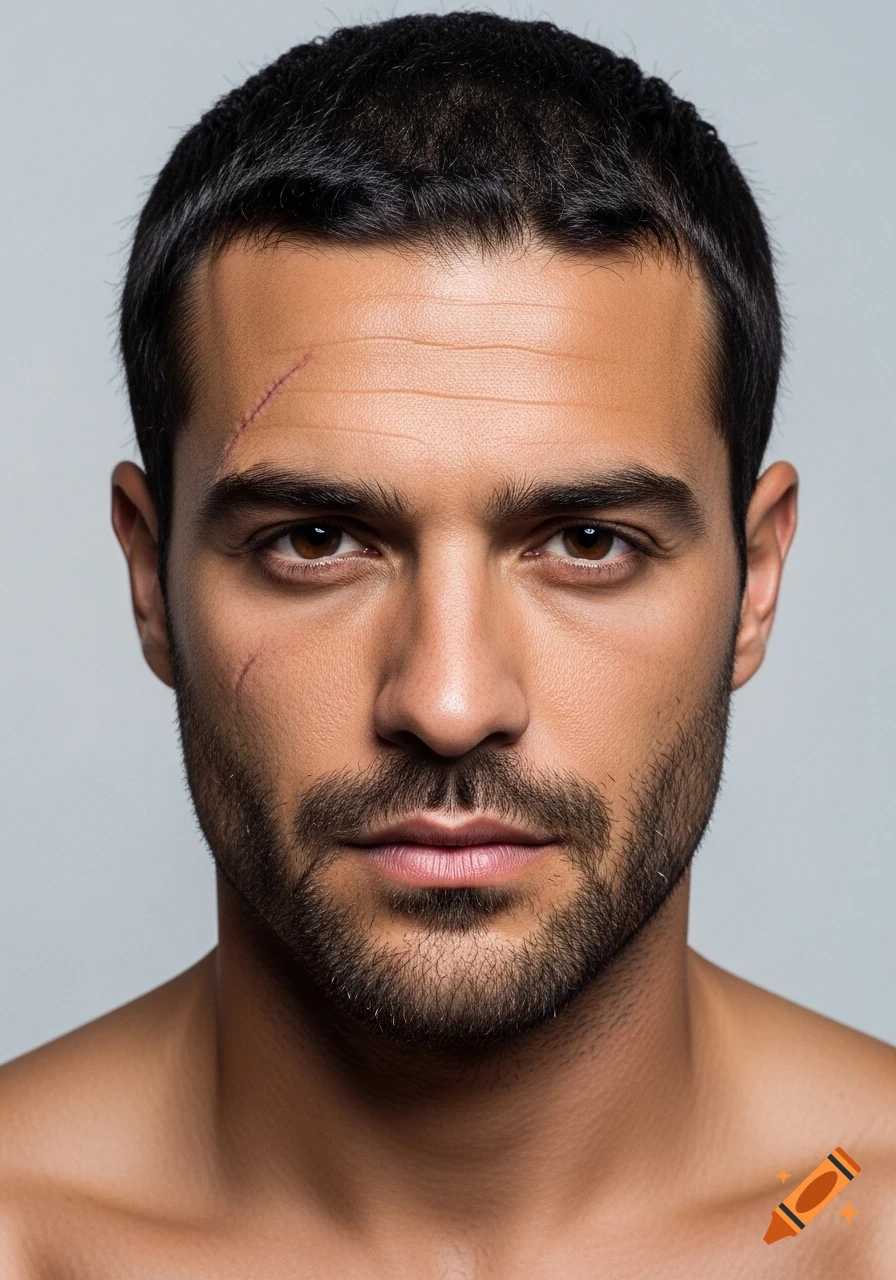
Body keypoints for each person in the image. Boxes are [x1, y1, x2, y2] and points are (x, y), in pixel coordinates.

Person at [1, 11, 893, 1276]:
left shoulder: (861, 1208)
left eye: (587, 541)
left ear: (756, 580)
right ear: (148, 574)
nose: (450, 699)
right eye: (316, 538)